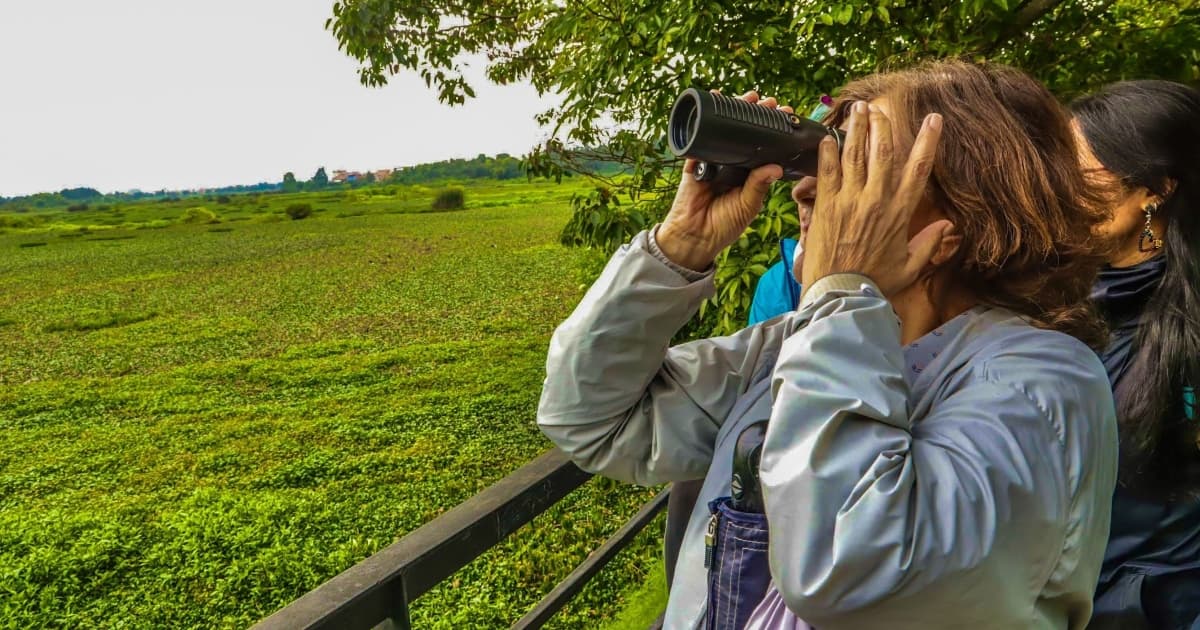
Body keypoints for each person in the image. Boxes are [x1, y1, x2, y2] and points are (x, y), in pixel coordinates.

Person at [537, 60, 1117, 629]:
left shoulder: (1042, 383)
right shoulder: (793, 346)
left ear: (961, 218)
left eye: (861, 164)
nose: (809, 189)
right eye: (825, 156)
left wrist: (842, 292)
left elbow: (851, 574)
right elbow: (591, 419)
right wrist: (679, 247)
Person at [1070, 80, 1200, 630]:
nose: (1061, 191)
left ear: (1154, 190)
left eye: (1080, 175)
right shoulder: (1062, 308)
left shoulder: (1186, 334)